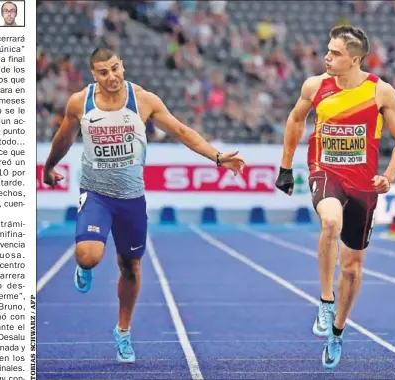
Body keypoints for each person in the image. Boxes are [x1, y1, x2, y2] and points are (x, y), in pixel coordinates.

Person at [42, 47, 245, 364]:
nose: (111, 76)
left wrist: (217, 157)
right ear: (93, 75)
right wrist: (48, 167)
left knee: (131, 269)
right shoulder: (80, 102)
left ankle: (123, 332)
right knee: (89, 256)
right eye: (103, 72)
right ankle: (84, 267)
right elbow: (64, 137)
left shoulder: (144, 100)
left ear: (122, 65)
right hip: (96, 194)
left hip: (132, 199)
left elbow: (180, 131)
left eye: (114, 68)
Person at [275, 25, 395, 369]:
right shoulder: (314, 86)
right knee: (331, 221)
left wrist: (389, 176)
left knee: (352, 269)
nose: (327, 57)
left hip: (364, 184)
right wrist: (286, 167)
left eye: (334, 53)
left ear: (355, 59)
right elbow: (295, 120)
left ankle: (337, 330)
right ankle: (325, 300)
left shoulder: (380, 92)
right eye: (327, 50)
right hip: (325, 171)